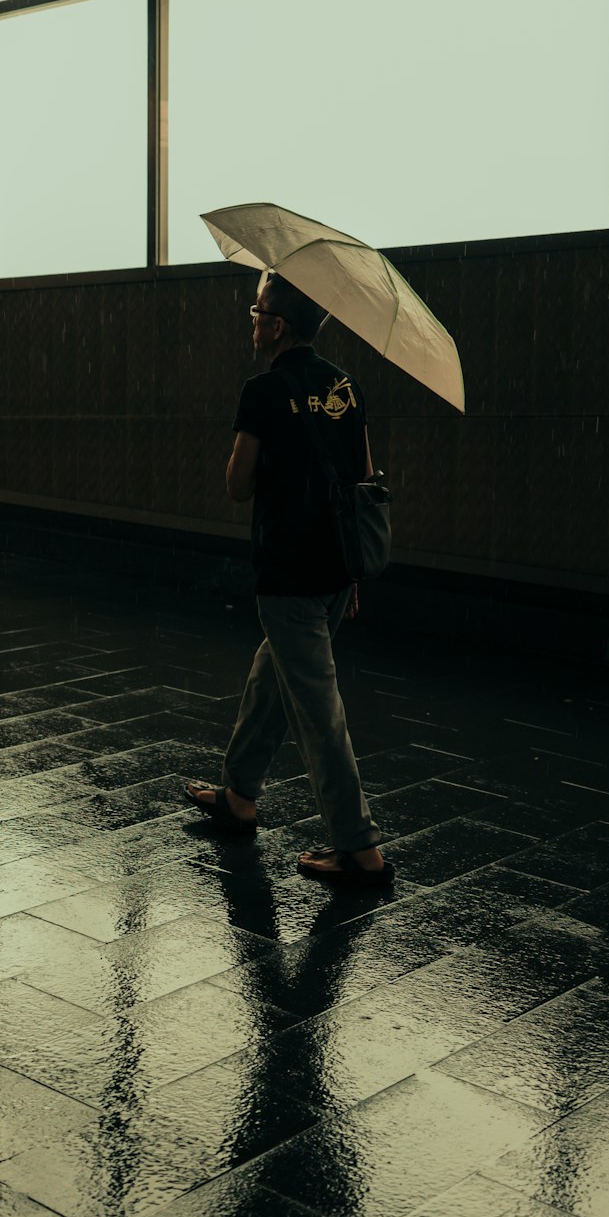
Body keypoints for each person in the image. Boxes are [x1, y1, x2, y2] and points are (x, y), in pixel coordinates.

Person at [184, 272, 393, 887]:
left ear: (277, 325)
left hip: (287, 572)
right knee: (270, 682)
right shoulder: (344, 386)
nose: (251, 320)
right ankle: (239, 796)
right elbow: (364, 478)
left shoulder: (264, 390)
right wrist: (353, 571)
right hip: (333, 570)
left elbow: (237, 485)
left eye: (257, 311)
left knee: (318, 713)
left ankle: (360, 849)